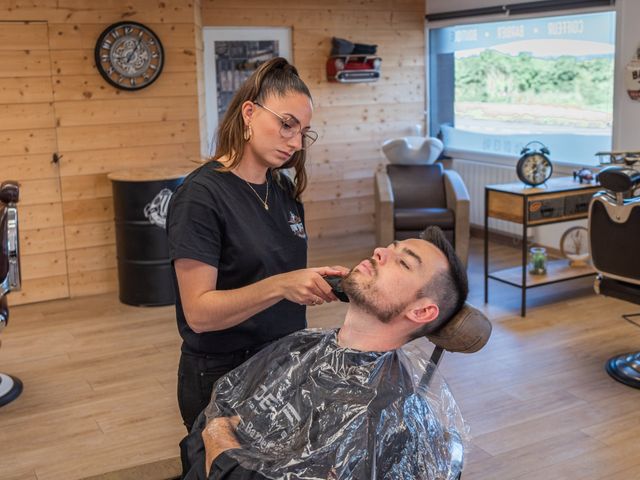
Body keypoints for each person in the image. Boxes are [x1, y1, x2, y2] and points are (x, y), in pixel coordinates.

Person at [180, 226, 470, 480]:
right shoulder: (300, 349)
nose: (379, 251)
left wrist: (218, 438)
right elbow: (206, 427)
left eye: (403, 263)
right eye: (389, 248)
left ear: (422, 311)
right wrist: (219, 442)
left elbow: (214, 427)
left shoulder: (384, 418)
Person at [166, 57, 348, 432]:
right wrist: (284, 284)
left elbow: (274, 272)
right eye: (286, 125)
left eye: (304, 132)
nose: (296, 143)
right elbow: (199, 313)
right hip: (222, 375)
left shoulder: (281, 189)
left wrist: (315, 282)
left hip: (283, 365)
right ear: (249, 113)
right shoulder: (200, 196)